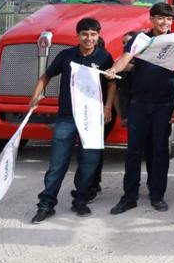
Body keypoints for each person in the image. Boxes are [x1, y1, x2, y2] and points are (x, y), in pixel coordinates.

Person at [29, 17, 116, 224]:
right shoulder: (66, 56)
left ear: (98, 36)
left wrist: (108, 107)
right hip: (67, 117)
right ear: (78, 36)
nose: (89, 38)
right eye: (85, 34)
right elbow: (46, 76)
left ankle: (81, 199)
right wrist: (35, 96)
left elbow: (112, 84)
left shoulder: (104, 57)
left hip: (93, 119)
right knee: (58, 163)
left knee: (89, 163)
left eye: (93, 34)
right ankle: (46, 204)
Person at [109, 2, 174, 215]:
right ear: (151, 19)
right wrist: (113, 70)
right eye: (160, 18)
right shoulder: (140, 40)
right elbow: (125, 59)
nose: (165, 22)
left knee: (159, 151)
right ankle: (129, 197)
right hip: (139, 104)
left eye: (169, 19)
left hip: (165, 104)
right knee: (133, 151)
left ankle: (157, 195)